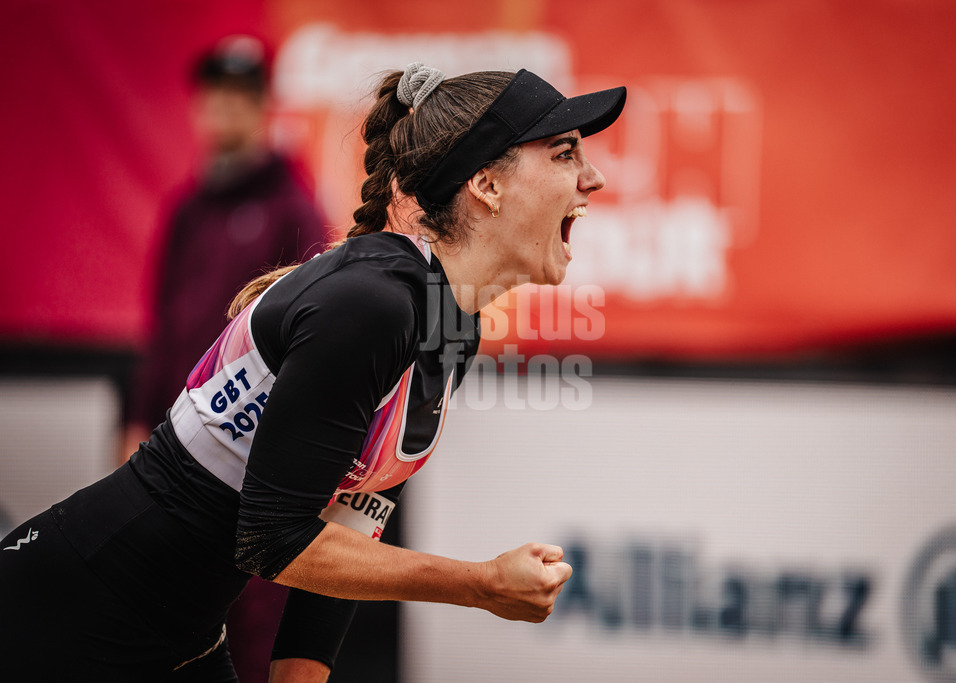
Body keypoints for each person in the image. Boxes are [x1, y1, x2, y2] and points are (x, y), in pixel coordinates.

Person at [0, 63, 626, 682]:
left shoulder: (452, 325)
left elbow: (349, 532)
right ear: (486, 184)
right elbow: (272, 541)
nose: (592, 178)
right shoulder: (371, 305)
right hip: (62, 616)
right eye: (564, 153)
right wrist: (482, 584)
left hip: (173, 639)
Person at [121, 35, 327, 682]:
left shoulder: (294, 210)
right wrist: (135, 426)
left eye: (239, 97)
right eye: (212, 96)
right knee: (168, 626)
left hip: (252, 466)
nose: (222, 110)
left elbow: (312, 353)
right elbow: (163, 331)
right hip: (175, 455)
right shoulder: (186, 210)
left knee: (254, 628)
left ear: (265, 105)